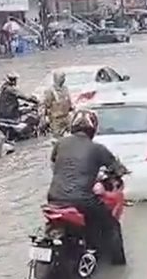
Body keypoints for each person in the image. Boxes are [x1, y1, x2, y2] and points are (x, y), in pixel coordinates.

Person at [48, 110, 129, 264]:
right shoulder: (98, 149)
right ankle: (118, 266)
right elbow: (118, 169)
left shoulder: (60, 143)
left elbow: (53, 165)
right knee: (112, 224)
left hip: (54, 198)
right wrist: (120, 172)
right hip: (82, 200)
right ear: (93, 129)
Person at [41, 71, 72, 137]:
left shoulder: (65, 89)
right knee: (57, 137)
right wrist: (45, 118)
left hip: (67, 117)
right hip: (56, 119)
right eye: (61, 78)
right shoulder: (50, 91)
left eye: (64, 78)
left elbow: (69, 101)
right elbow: (46, 105)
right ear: (56, 79)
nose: (63, 79)